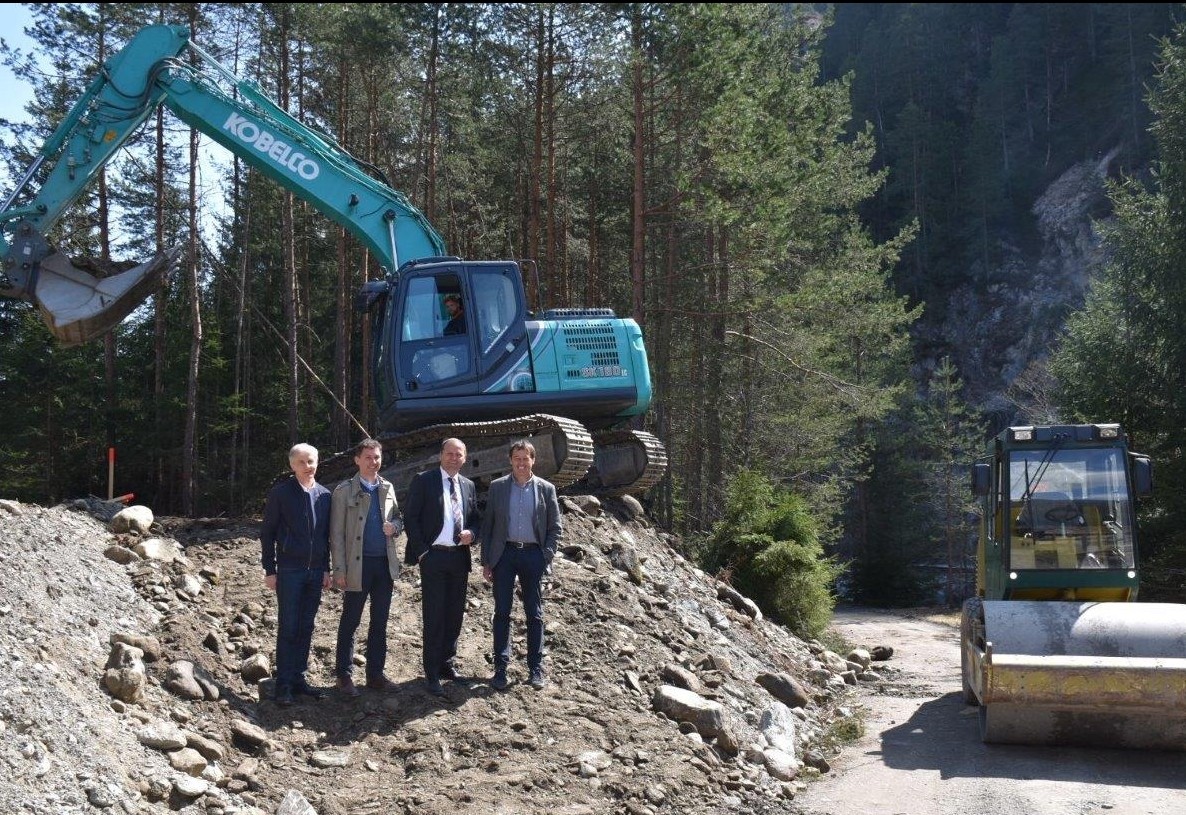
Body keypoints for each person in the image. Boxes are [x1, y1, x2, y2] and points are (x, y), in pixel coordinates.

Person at [479, 440, 562, 691]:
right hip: (505, 555)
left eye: (526, 458)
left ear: (533, 460)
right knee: (502, 612)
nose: (522, 463)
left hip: (533, 556)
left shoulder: (546, 489)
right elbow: (489, 526)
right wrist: (487, 561)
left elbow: (554, 527)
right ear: (510, 460)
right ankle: (501, 668)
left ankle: (535, 668)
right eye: (517, 458)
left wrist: (545, 556)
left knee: (534, 614)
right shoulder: (498, 488)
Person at [403, 437, 480, 696]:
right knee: (434, 615)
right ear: (440, 455)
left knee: (454, 614)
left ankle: (447, 663)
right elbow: (411, 518)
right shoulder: (424, 480)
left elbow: (476, 519)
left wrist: (473, 533)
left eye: (459, 454)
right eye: (449, 453)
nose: (453, 458)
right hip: (433, 557)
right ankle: (432, 671)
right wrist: (423, 551)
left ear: (465, 458)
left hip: (459, 557)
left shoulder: (468, 485)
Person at [259, 443, 333, 706]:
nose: (308, 466)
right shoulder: (281, 494)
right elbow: (267, 532)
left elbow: (326, 536)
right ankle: (283, 684)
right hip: (289, 570)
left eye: (311, 461)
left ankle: (299, 679)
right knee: (288, 626)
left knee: (306, 625)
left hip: (315, 572)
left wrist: (326, 568)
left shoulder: (325, 495)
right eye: (302, 462)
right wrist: (270, 569)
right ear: (292, 465)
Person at [329, 438, 404, 697]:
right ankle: (344, 675)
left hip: (384, 565)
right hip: (356, 566)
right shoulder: (343, 491)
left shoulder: (388, 487)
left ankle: (375, 675)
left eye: (377, 457)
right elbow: (336, 534)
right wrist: (338, 569)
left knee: (380, 622)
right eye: (368, 457)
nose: (374, 462)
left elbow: (397, 518)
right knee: (350, 621)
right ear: (357, 460)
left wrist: (395, 527)